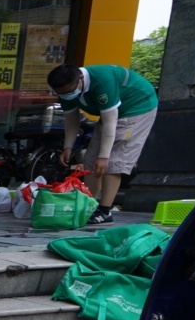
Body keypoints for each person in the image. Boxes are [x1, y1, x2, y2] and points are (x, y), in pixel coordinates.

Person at [46, 63, 159, 226]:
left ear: (80, 79)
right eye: (60, 93)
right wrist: (68, 146)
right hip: (111, 117)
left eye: (69, 91)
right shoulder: (65, 91)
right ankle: (89, 205)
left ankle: (105, 210)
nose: (65, 95)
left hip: (137, 107)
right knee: (91, 161)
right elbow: (71, 119)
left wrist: (104, 156)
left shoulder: (103, 80)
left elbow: (110, 121)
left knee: (112, 161)